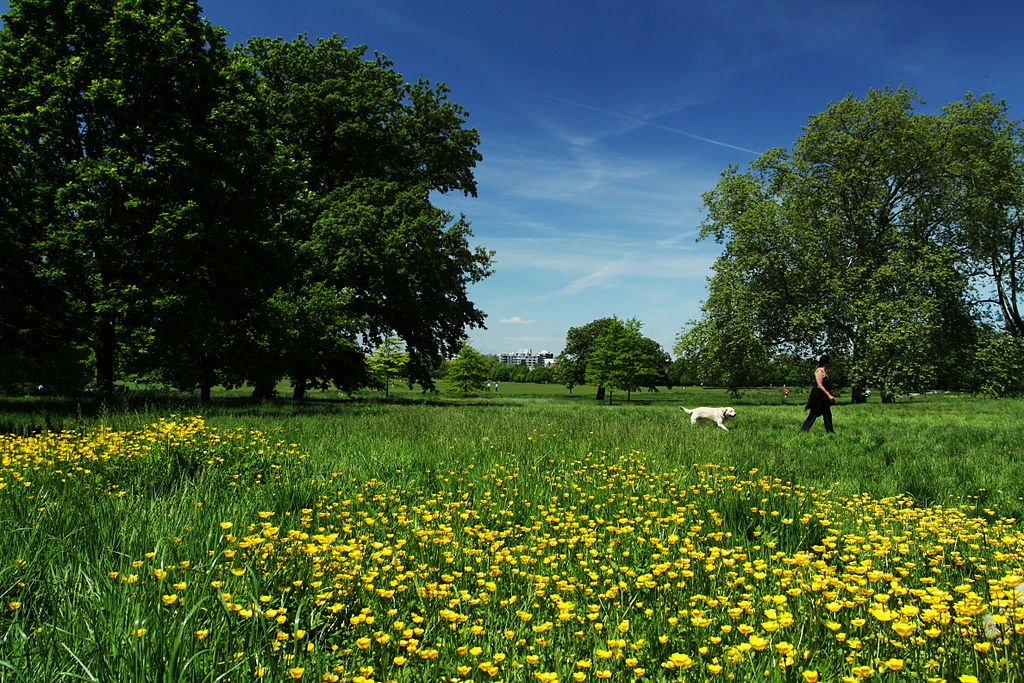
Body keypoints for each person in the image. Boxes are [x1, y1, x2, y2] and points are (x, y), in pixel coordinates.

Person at [801, 355, 835, 433]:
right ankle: (804, 430)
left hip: (824, 396)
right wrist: (828, 394)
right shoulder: (819, 371)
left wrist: (831, 392)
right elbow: (819, 385)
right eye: (829, 362)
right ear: (826, 363)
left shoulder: (825, 372)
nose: (830, 364)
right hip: (818, 396)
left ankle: (830, 432)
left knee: (827, 413)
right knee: (814, 413)